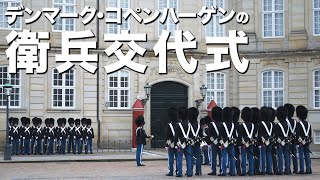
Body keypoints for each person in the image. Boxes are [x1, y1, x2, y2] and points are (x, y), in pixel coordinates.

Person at [175, 106, 192, 177]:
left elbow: (176, 135)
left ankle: (179, 173)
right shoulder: (189, 124)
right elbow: (191, 135)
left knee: (179, 158)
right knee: (189, 158)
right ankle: (189, 172)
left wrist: (176, 142)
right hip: (188, 143)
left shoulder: (179, 125)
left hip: (180, 144)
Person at [220, 107, 236, 176]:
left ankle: (223, 172)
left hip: (224, 142)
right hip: (231, 142)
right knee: (232, 157)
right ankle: (232, 172)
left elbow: (220, 134)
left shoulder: (222, 125)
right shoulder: (233, 125)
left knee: (224, 157)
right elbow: (235, 134)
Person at [296, 105, 312, 174]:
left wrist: (299, 141)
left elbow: (297, 134)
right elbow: (310, 134)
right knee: (307, 156)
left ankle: (302, 170)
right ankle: (308, 170)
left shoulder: (299, 124)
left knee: (301, 156)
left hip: (300, 142)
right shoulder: (308, 123)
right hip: (307, 142)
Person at [239, 107, 255, 176]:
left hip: (244, 143)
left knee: (243, 157)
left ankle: (244, 171)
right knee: (250, 157)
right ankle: (251, 171)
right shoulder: (253, 125)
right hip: (251, 142)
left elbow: (240, 135)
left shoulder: (242, 125)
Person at [258, 107, 274, 175]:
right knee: (269, 155)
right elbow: (273, 133)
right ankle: (269, 170)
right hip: (269, 141)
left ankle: (263, 170)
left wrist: (260, 142)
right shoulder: (271, 124)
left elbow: (260, 133)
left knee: (263, 156)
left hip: (263, 142)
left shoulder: (261, 124)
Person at [207, 106, 222, 176]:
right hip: (221, 142)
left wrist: (211, 140)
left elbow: (209, 134)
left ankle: (214, 170)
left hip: (214, 143)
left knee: (213, 157)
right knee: (221, 156)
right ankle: (222, 169)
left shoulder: (211, 124)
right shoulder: (222, 124)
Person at [275, 106, 290, 175]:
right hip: (286, 141)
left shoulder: (278, 125)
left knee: (280, 156)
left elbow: (276, 135)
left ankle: (280, 170)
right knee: (287, 156)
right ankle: (287, 170)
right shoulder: (287, 124)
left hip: (280, 142)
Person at [284, 103, 298, 174]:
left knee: (287, 155)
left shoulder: (285, 121)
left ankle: (288, 169)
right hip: (294, 139)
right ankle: (296, 169)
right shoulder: (295, 121)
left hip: (287, 139)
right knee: (294, 154)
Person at [188, 107, 202, 176]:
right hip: (197, 143)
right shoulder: (198, 125)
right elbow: (201, 135)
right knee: (198, 158)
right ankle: (198, 171)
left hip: (190, 143)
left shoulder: (189, 125)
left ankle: (190, 171)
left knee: (190, 157)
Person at [165, 107, 178, 176]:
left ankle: (171, 171)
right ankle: (178, 170)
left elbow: (167, 135)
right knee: (178, 158)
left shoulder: (169, 125)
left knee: (170, 158)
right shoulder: (179, 124)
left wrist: (166, 144)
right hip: (177, 143)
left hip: (171, 143)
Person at [232, 107, 242, 175]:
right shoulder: (238, 125)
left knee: (232, 157)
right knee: (237, 156)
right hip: (237, 142)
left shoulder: (231, 124)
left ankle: (232, 170)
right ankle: (238, 170)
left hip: (232, 142)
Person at [251, 107, 261, 175]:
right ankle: (257, 169)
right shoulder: (259, 124)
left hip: (252, 141)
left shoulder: (251, 124)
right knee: (257, 155)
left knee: (252, 156)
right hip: (257, 141)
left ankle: (252, 169)